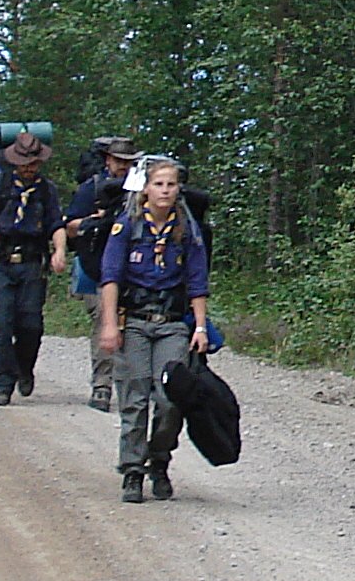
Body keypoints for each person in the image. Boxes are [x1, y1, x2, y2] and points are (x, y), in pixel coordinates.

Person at [97, 158, 210, 504]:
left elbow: (196, 282)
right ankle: (132, 470)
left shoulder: (186, 230)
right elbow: (111, 278)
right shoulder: (127, 227)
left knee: (170, 398)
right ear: (146, 188)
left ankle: (159, 461)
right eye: (158, 184)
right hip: (134, 322)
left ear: (178, 190)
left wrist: (201, 327)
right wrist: (109, 325)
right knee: (133, 399)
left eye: (171, 185)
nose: (165, 191)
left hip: (171, 325)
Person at [0, 132, 68, 406]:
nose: (29, 167)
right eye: (24, 162)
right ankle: (3, 384)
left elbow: (56, 224)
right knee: (3, 324)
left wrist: (60, 251)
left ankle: (25, 368)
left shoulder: (47, 190)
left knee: (31, 324)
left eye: (34, 162)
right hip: (1, 263)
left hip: (33, 263)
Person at [65, 137, 143, 412]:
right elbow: (70, 226)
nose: (123, 167)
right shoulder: (93, 188)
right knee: (104, 321)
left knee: (135, 328)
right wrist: (95, 221)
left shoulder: (143, 190)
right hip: (96, 268)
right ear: (108, 160)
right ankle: (102, 385)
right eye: (118, 161)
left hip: (135, 270)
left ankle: (132, 387)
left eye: (128, 162)